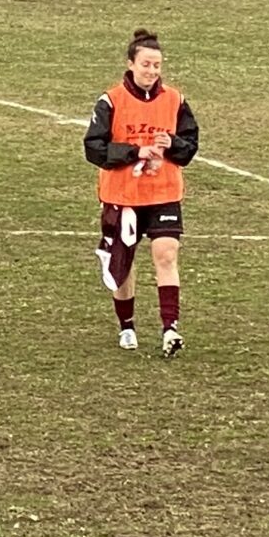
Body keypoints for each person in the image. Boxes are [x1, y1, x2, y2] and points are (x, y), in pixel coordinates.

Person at [85, 29, 201, 356]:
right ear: (131, 64)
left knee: (166, 253)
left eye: (157, 65)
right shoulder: (110, 101)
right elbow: (94, 149)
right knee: (123, 265)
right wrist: (136, 152)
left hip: (163, 192)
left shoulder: (175, 100)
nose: (151, 71)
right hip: (122, 196)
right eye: (146, 64)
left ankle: (170, 328)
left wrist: (172, 144)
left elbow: (189, 149)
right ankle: (127, 325)